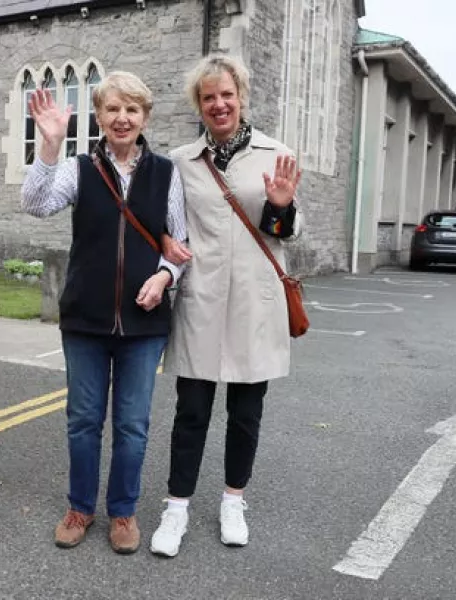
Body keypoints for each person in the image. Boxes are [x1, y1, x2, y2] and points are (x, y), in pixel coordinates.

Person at [21, 71, 190, 554]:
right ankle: (80, 507)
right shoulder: (79, 169)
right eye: (113, 109)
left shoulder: (165, 173)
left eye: (132, 110)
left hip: (144, 325)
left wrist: (164, 278)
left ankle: (123, 512)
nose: (122, 118)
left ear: (145, 118)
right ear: (98, 116)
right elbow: (35, 204)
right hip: (85, 322)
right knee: (83, 420)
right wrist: (49, 146)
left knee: (133, 425)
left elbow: (180, 243)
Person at [149, 55, 303, 558]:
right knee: (191, 411)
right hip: (201, 299)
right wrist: (167, 242)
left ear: (242, 97)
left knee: (245, 413)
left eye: (226, 95)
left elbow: (287, 234)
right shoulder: (180, 161)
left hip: (256, 304)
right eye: (209, 97)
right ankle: (176, 508)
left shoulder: (275, 154)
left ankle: (233, 501)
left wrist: (280, 207)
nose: (219, 104)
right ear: (199, 104)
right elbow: (167, 222)